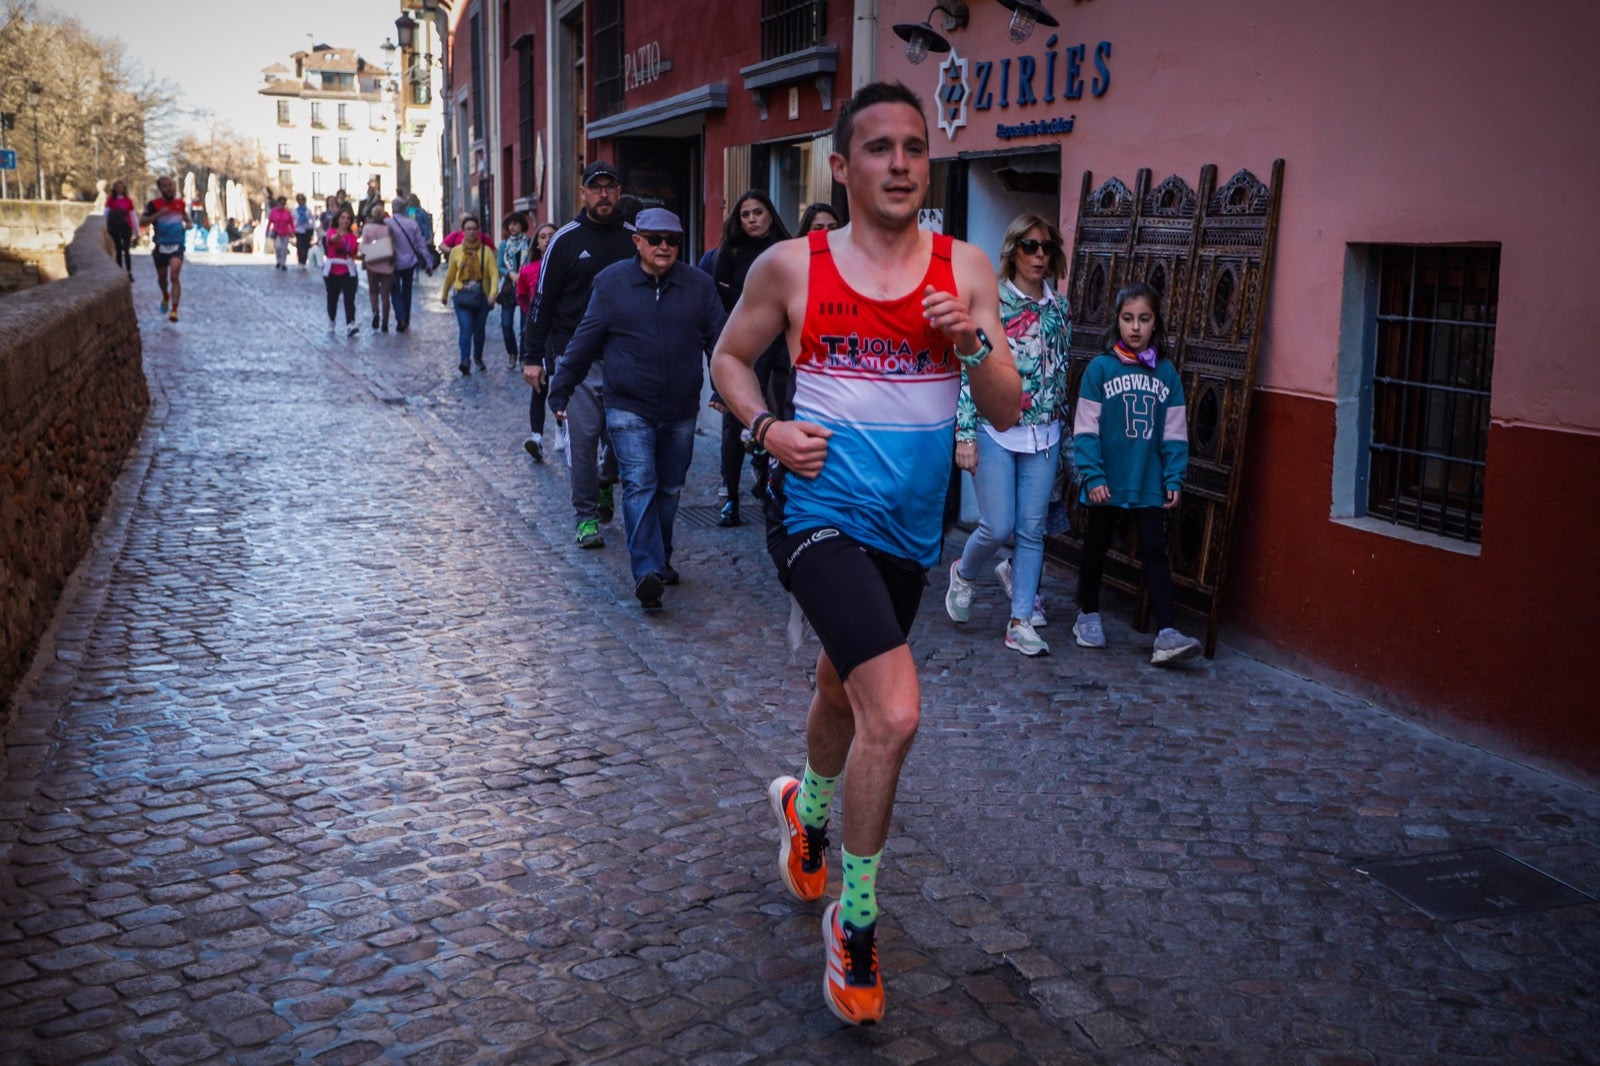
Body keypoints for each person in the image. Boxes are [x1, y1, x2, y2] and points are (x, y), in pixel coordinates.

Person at [708, 81, 1021, 1026]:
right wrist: (767, 430)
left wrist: (971, 343)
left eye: (915, 148)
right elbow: (728, 359)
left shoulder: (965, 268)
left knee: (841, 687)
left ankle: (804, 812)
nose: (900, 164)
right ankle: (855, 922)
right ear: (842, 167)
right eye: (879, 148)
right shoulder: (792, 267)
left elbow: (1008, 409)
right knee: (895, 707)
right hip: (816, 512)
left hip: (909, 529)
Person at [548, 208, 725, 609]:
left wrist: (723, 387)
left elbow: (720, 341)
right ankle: (647, 570)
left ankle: (661, 555)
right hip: (628, 404)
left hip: (681, 406)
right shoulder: (611, 283)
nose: (664, 247)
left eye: (672, 240)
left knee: (670, 486)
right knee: (639, 482)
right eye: (655, 239)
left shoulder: (699, 286)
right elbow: (585, 339)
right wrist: (560, 388)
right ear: (637, 241)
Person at [945, 213, 1071, 656]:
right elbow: (971, 369)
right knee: (998, 526)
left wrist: (1064, 432)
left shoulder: (1060, 308)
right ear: (1012, 250)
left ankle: (1020, 622)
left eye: (1046, 247)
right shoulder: (992, 304)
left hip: (1044, 435)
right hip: (996, 428)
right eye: (1029, 246)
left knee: (1033, 531)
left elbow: (1061, 371)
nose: (1039, 255)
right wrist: (964, 434)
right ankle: (964, 572)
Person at [1071, 281, 1204, 665]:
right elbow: (1085, 428)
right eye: (1128, 318)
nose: (1135, 327)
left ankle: (1167, 632)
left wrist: (1174, 476)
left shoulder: (1167, 374)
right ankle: (1087, 614)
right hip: (1107, 478)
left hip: (1147, 476)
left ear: (1155, 323)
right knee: (1096, 544)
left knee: (1154, 549)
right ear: (1117, 320)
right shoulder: (1100, 369)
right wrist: (1093, 475)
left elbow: (1174, 432)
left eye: (1144, 319)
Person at [521, 160, 635, 548]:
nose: (603, 194)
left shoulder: (635, 239)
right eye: (595, 187)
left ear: (618, 192)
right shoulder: (565, 240)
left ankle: (606, 480)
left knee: (622, 438)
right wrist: (533, 357)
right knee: (583, 441)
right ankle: (585, 518)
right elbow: (542, 302)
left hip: (626, 357)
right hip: (577, 358)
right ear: (583, 193)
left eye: (609, 187)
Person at [705, 191, 791, 528]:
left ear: (770, 214)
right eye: (745, 215)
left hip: (781, 348)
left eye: (758, 212)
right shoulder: (730, 253)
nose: (752, 219)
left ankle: (771, 486)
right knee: (734, 424)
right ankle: (730, 496)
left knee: (778, 417)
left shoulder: (786, 250)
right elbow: (720, 305)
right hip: (744, 347)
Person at [518, 222, 558, 460]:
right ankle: (537, 437)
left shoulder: (568, 266)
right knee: (539, 383)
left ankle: (563, 432)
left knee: (563, 383)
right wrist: (532, 316)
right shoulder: (529, 270)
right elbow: (522, 296)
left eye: (552, 235)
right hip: (540, 333)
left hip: (563, 331)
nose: (547, 239)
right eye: (543, 236)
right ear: (537, 243)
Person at [440, 214, 498, 374]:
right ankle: (464, 360)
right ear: (463, 231)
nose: (471, 232)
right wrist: (444, 293)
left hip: (481, 297)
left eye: (474, 229)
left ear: (478, 231)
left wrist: (493, 293)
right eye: (468, 229)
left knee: (479, 330)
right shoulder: (456, 252)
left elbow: (494, 274)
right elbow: (451, 274)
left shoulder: (486, 251)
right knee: (465, 328)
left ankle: (478, 357)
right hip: (462, 296)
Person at [141, 176, 191, 323]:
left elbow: (186, 218)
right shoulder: (153, 205)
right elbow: (142, 221)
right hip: (161, 246)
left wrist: (189, 223)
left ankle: (174, 309)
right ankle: (165, 295)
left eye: (171, 185)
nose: (169, 188)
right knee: (162, 279)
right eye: (165, 186)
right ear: (160, 188)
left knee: (174, 276)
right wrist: (158, 214)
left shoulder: (180, 204)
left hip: (177, 245)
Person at [387, 196, 432, 333]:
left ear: (393, 208)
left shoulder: (387, 223)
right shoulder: (412, 224)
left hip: (393, 262)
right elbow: (421, 244)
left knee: (395, 290)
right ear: (405, 209)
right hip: (410, 262)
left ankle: (400, 317)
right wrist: (429, 262)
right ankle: (406, 318)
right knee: (407, 290)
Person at [497, 211, 532, 369]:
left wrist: (524, 275)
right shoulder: (504, 245)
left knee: (526, 326)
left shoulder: (529, 243)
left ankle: (524, 356)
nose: (512, 227)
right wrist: (510, 273)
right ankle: (512, 353)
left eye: (515, 223)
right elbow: (500, 266)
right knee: (506, 324)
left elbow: (534, 262)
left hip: (526, 288)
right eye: (510, 224)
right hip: (509, 288)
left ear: (521, 225)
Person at [322, 207, 361, 337]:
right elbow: (332, 240)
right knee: (332, 297)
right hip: (333, 270)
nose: (345, 220)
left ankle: (350, 323)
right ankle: (331, 319)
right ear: (338, 219)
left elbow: (354, 253)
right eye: (343, 218)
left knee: (349, 298)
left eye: (348, 218)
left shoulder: (352, 236)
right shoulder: (331, 232)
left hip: (348, 270)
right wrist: (339, 235)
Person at [359, 204, 396, 332]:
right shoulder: (389, 228)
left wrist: (363, 259)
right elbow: (394, 244)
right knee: (385, 294)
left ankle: (375, 311)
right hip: (387, 263)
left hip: (372, 263)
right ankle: (385, 323)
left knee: (373, 291)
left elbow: (364, 245)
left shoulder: (367, 228)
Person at [104, 179, 138, 279]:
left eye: (121, 187)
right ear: (114, 189)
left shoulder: (128, 201)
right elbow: (106, 213)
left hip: (126, 226)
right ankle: (119, 271)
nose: (119, 189)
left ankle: (129, 272)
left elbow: (132, 215)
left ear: (124, 189)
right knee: (118, 249)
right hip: (115, 226)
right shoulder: (111, 200)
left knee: (126, 249)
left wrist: (136, 229)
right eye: (117, 187)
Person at [267, 197, 296, 270]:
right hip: (277, 232)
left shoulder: (287, 212)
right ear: (278, 203)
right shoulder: (274, 211)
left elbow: (291, 222)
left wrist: (292, 231)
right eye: (281, 203)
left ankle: (283, 263)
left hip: (285, 232)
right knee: (278, 247)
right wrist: (267, 230)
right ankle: (278, 260)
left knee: (284, 248)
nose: (282, 204)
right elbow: (270, 222)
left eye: (283, 203)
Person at [292, 193, 316, 269]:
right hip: (298, 230)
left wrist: (311, 226)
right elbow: (292, 220)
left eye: (302, 199)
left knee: (305, 247)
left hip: (306, 230)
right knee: (300, 246)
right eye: (299, 199)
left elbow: (313, 219)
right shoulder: (295, 211)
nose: (301, 201)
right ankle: (300, 261)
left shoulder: (308, 211)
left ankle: (304, 262)